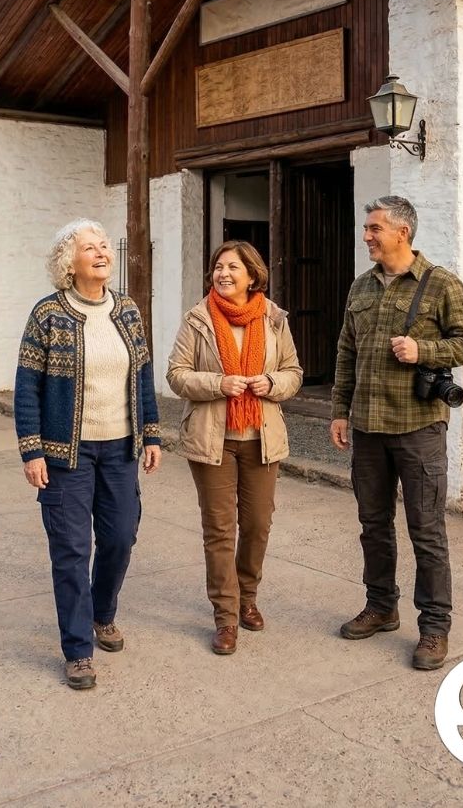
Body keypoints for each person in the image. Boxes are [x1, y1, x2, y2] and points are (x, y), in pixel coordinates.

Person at [330, 197, 463, 671]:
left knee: (426, 530)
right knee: (373, 526)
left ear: (403, 232)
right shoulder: (361, 286)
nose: (367, 235)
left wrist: (424, 351)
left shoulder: (441, 284)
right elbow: (345, 353)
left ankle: (435, 626)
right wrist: (340, 411)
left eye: (375, 228)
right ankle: (382, 606)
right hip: (369, 429)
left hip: (419, 427)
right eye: (367, 227)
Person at [14, 219, 161, 689]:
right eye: (89, 248)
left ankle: (103, 614)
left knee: (120, 537)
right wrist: (32, 449)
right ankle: (77, 650)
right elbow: (26, 387)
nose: (101, 253)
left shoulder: (128, 311)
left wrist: (152, 435)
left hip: (120, 448)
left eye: (103, 246)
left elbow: (142, 375)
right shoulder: (48, 314)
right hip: (65, 455)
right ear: (68, 262)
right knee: (72, 551)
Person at [167, 241, 303, 655]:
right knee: (220, 529)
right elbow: (176, 375)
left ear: (252, 274)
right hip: (213, 439)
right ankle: (226, 617)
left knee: (258, 524)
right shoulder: (197, 319)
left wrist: (272, 384)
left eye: (232, 267)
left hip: (261, 437)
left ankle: (248, 598)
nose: (223, 274)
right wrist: (218, 384)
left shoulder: (274, 319)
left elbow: (293, 372)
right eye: (217, 267)